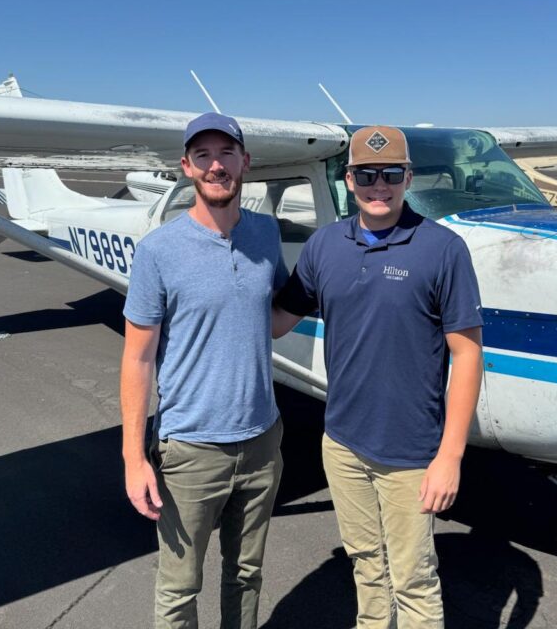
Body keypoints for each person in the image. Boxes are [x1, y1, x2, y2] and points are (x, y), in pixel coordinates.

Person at [273, 126, 484, 628]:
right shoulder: (325, 245)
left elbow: (468, 355)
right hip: (342, 443)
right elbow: (278, 319)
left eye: (391, 174)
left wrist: (449, 457)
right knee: (366, 566)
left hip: (411, 453)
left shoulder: (442, 249)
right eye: (366, 174)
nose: (379, 185)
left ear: (408, 177)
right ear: (349, 179)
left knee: (413, 580)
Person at [121, 112, 287, 628]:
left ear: (246, 162)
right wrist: (133, 458)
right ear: (187, 167)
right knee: (178, 590)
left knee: (247, 575)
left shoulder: (265, 233)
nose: (217, 165)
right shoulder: (158, 251)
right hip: (190, 449)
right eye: (203, 156)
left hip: (263, 442)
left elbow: (273, 320)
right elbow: (137, 358)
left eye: (227, 153)